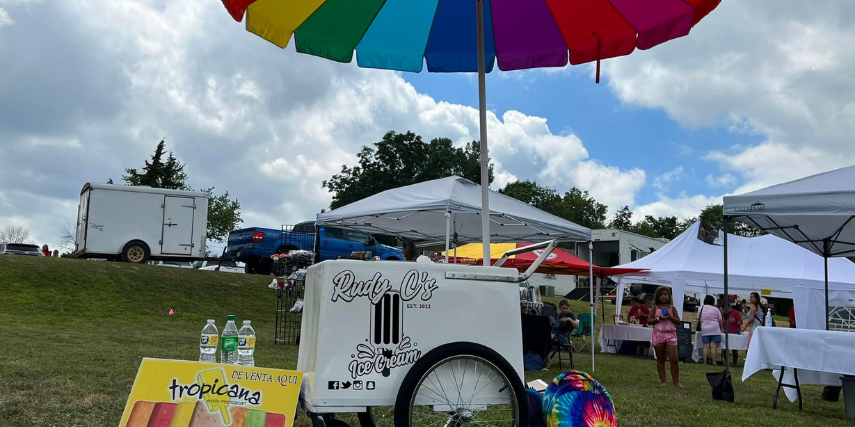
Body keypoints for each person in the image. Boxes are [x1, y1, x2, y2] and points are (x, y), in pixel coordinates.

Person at [648, 287, 681, 386]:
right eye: (661, 294)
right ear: (657, 296)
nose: (663, 296)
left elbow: (678, 321)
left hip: (671, 335)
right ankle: (663, 381)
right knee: (660, 358)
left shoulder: (672, 308)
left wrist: (670, 317)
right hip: (658, 334)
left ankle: (676, 382)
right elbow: (649, 321)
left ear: (669, 296)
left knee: (674, 359)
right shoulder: (655, 308)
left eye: (666, 294)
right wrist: (659, 319)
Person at [546, 299, 579, 368]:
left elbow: (576, 326)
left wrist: (570, 319)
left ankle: (548, 360)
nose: (565, 310)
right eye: (563, 308)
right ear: (560, 308)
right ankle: (545, 359)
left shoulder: (570, 315)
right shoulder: (560, 315)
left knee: (545, 339)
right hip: (555, 334)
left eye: (567, 308)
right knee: (543, 338)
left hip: (561, 336)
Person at [699, 295, 724, 365]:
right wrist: (721, 328)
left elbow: (699, 318)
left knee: (705, 346)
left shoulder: (701, 308)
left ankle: (704, 362)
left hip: (705, 328)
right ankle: (714, 362)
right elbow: (720, 320)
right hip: (715, 328)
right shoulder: (716, 309)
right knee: (713, 346)